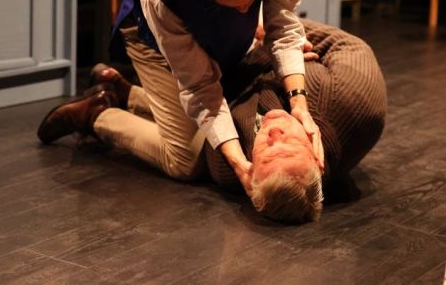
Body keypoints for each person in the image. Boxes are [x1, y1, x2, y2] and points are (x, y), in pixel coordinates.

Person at [39, 0, 321, 201]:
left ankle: (122, 92)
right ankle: (96, 114)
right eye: (234, 4)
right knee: (186, 158)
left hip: (211, 25)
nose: (247, 11)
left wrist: (299, 103)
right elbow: (201, 87)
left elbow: (282, 24)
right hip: (149, 36)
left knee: (212, 128)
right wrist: (239, 164)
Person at [38, 19, 387, 223]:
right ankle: (106, 107)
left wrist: (254, 59)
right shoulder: (356, 104)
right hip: (215, 22)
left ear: (251, 171)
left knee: (192, 155)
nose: (275, 131)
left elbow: (210, 102)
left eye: (266, 149)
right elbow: (345, 43)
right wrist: (282, 41)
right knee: (185, 158)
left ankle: (110, 101)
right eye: (291, 144)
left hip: (214, 62)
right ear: (317, 157)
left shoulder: (231, 170)